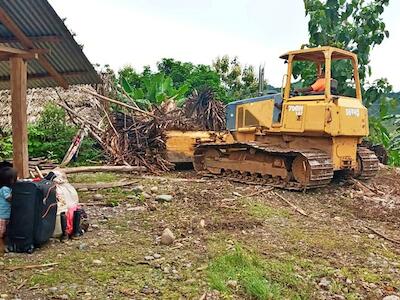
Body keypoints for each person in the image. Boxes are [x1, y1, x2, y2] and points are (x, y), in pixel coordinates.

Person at [0, 167, 17, 255]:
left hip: (8, 215)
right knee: (1, 232)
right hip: (2, 215)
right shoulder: (4, 189)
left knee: (7, 231)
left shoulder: (9, 188)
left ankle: (7, 245)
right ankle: (1, 247)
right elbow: (9, 199)